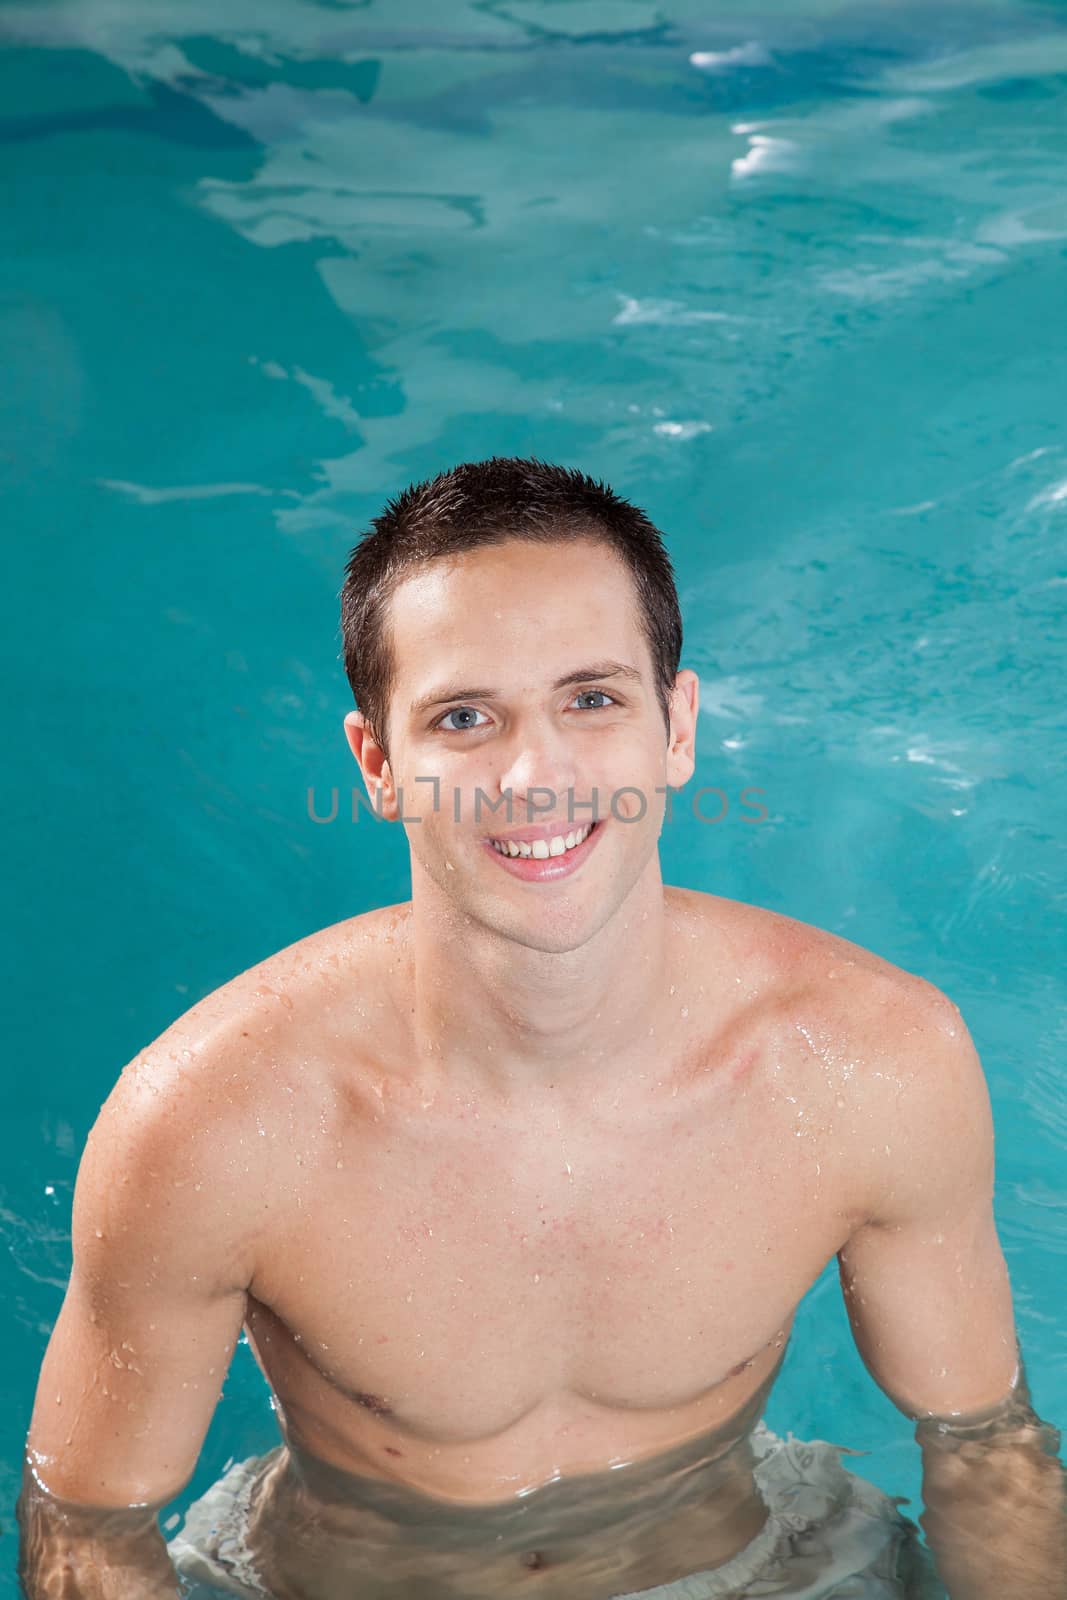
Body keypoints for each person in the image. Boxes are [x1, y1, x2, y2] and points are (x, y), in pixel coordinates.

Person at [17, 458, 1066, 1600]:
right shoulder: (214, 1121)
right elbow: (89, 1523)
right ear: (378, 763)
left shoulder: (871, 1062)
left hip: (760, 1570)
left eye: (592, 697)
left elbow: (981, 1446)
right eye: (465, 717)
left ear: (676, 726)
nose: (535, 775)